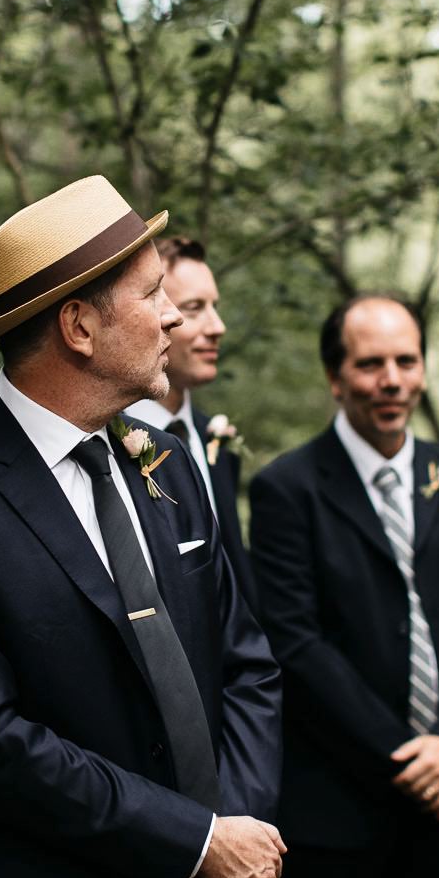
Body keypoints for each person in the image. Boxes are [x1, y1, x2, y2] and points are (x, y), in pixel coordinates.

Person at [0, 176, 285, 878]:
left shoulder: (165, 457)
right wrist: (196, 845)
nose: (174, 317)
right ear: (79, 327)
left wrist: (233, 860)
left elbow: (249, 667)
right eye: (154, 294)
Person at [250, 294, 439, 878]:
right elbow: (295, 643)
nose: (392, 379)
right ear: (336, 379)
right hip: (335, 804)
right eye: (371, 364)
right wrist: (406, 757)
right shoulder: (288, 488)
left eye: (407, 360)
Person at [122, 237, 254, 608]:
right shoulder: (109, 447)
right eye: (195, 308)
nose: (218, 326)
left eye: (216, 307)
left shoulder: (218, 441)